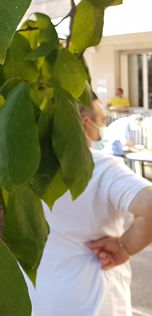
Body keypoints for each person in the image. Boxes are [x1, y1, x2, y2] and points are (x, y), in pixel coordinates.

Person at [28, 99, 152, 316]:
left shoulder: (27, 171)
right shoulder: (102, 167)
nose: (102, 127)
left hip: (38, 296)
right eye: (102, 120)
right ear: (85, 123)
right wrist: (124, 248)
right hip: (95, 300)